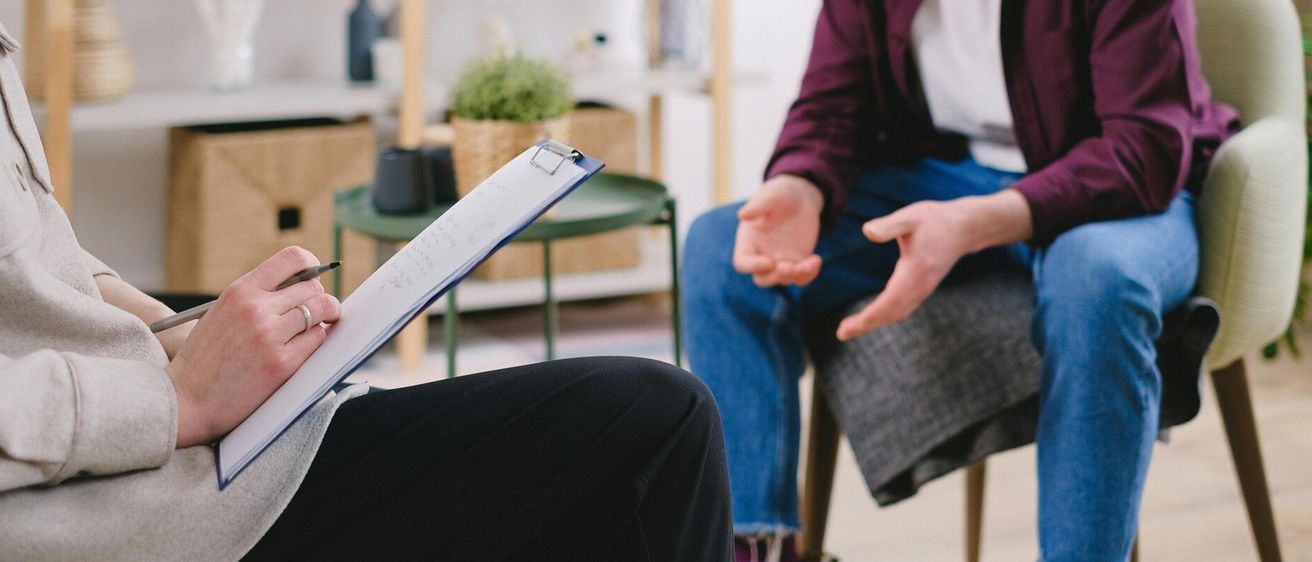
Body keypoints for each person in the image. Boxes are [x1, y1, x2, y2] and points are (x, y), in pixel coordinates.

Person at [0, 20, 731, 562]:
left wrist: (176, 329)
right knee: (660, 421)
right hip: (125, 496)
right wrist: (180, 399)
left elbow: (42, 255)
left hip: (156, 423)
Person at [682, 0, 1239, 560]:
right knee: (719, 246)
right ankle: (756, 551)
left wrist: (976, 223)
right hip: (943, 174)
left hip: (1117, 187)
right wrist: (803, 182)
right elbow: (834, 102)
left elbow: (1145, 151)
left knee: (1098, 284)